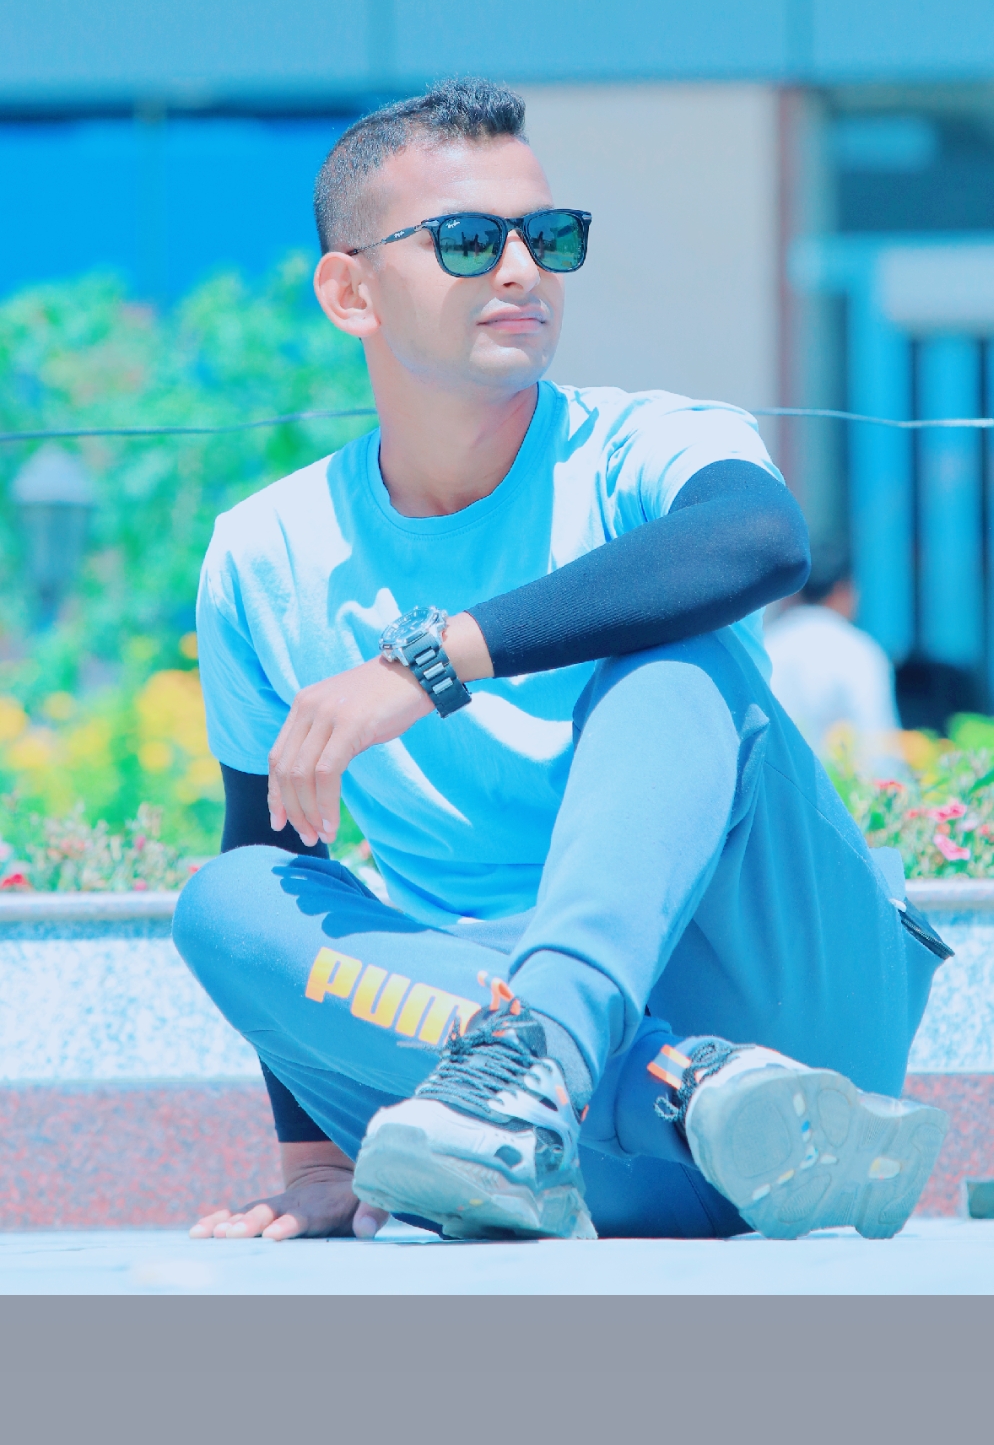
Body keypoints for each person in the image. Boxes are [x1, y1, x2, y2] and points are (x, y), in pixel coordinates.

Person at [174, 79, 948, 1247]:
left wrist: (433, 661)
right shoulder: (264, 555)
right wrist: (319, 1161)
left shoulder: (648, 446)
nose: (521, 270)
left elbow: (759, 541)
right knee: (228, 900)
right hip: (579, 1140)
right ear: (349, 291)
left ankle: (558, 1057)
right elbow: (279, 857)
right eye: (467, 241)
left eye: (549, 236)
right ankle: (657, 1084)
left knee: (677, 658)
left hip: (803, 1059)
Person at [766, 544, 902, 768]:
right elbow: (879, 748)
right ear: (843, 590)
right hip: (840, 785)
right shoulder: (858, 651)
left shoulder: (769, 644)